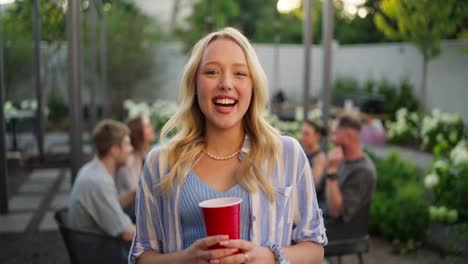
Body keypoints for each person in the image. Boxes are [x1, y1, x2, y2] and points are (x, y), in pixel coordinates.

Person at [129, 27, 326, 264]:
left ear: (253, 86)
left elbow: (315, 248)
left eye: (240, 74)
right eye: (211, 72)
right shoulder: (160, 163)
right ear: (194, 83)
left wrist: (269, 258)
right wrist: (185, 260)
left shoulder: (287, 154)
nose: (226, 83)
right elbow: (141, 256)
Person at [67, 120, 136, 242]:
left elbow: (112, 203)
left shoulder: (93, 169)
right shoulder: (98, 182)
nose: (131, 149)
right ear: (114, 150)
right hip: (100, 251)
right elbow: (127, 233)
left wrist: (137, 191)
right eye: (127, 144)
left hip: (98, 243)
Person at [323, 115, 377, 222]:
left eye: (334, 133)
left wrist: (332, 171)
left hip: (338, 233)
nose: (330, 138)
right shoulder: (340, 160)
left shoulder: (363, 171)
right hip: (320, 221)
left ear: (349, 136)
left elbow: (336, 212)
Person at [116, 115, 156, 210]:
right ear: (137, 132)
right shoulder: (129, 160)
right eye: (147, 126)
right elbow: (136, 189)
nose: (152, 128)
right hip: (131, 212)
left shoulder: (145, 154)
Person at [300, 120, 327, 189]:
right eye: (302, 133)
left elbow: (313, 183)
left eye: (306, 134)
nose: (302, 137)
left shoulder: (320, 157)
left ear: (317, 136)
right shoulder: (302, 153)